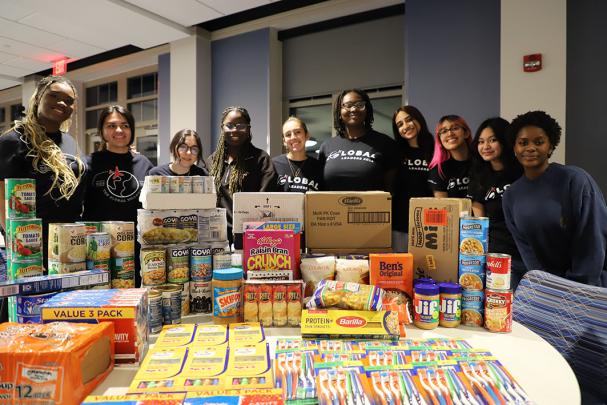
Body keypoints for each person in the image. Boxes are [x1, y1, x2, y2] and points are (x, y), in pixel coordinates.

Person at [503, 110, 607, 287]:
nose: (530, 148)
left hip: (590, 286)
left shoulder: (575, 180)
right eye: (523, 143)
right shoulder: (511, 196)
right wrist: (545, 286)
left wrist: (578, 287)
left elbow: (593, 238)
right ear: (514, 148)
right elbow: (527, 252)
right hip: (550, 289)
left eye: (539, 142)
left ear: (550, 146)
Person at [0, 75, 86, 269]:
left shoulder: (70, 142)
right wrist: (21, 248)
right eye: (54, 96)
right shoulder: (14, 140)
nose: (62, 102)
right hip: (32, 248)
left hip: (69, 246)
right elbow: (2, 200)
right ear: (39, 97)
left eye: (69, 100)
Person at [207, 106, 277, 244]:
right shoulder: (212, 161)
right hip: (218, 237)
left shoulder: (261, 159)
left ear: (248, 129)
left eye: (241, 125)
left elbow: (267, 202)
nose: (235, 130)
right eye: (230, 125)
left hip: (252, 235)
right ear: (222, 128)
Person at [468, 117, 525, 286]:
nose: (485, 147)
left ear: (505, 140)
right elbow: (481, 224)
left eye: (492, 140)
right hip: (497, 255)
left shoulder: (522, 172)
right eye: (481, 141)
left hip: (526, 253)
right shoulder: (478, 178)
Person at [83, 105, 154, 222]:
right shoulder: (88, 163)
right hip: (99, 238)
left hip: (136, 238)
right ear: (102, 131)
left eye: (125, 126)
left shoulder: (144, 163)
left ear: (131, 130)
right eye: (111, 126)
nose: (119, 130)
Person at [318, 89, 398, 192]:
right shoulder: (326, 146)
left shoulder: (386, 144)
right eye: (348, 105)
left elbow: (391, 191)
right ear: (339, 112)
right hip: (332, 208)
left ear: (367, 110)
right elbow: (320, 188)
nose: (354, 109)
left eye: (360, 104)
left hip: (374, 208)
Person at [391, 106, 434, 252]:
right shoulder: (395, 153)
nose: (405, 126)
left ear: (418, 118)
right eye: (400, 124)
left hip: (431, 227)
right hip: (400, 226)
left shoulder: (436, 150)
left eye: (409, 120)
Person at [272, 117, 323, 192]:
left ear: (307, 135)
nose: (293, 137)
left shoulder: (318, 167)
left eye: (298, 132)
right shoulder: (273, 165)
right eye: (288, 134)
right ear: (284, 141)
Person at [428, 115, 473, 198]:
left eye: (455, 128)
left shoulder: (481, 162)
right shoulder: (438, 170)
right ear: (440, 140)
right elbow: (443, 206)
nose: (450, 133)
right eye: (444, 131)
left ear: (466, 133)